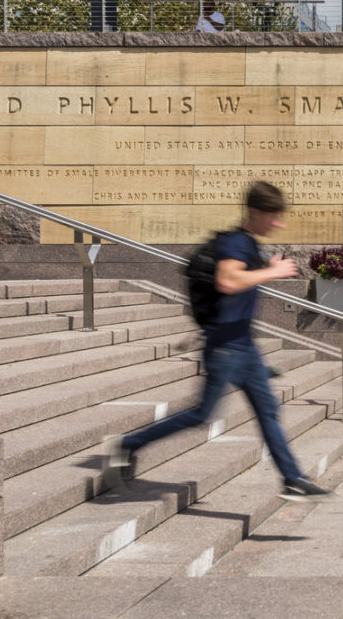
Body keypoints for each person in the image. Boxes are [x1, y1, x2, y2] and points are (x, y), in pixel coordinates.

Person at [102, 181, 330, 496]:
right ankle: (126, 445)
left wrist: (268, 268)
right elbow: (227, 280)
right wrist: (272, 273)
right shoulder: (237, 242)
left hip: (244, 346)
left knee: (267, 411)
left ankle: (292, 479)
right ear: (254, 211)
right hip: (224, 348)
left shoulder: (248, 243)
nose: (277, 223)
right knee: (201, 415)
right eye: (272, 216)